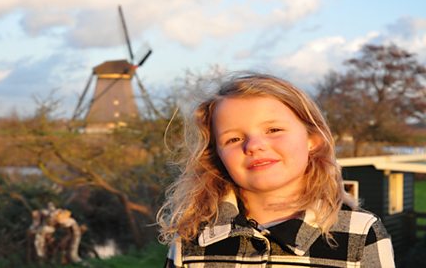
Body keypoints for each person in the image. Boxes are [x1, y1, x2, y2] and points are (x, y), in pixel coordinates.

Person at [157, 73, 395, 267]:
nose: (254, 146)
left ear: (312, 139)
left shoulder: (360, 233)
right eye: (234, 139)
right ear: (216, 156)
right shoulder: (191, 237)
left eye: (273, 130)